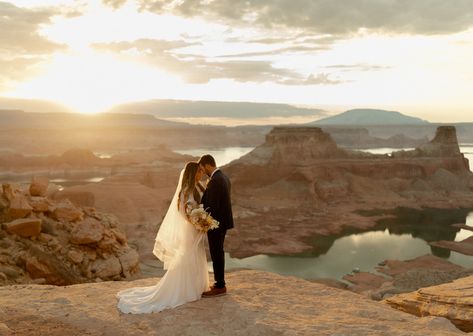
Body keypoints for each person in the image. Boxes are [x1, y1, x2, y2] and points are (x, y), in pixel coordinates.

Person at [116, 161, 209, 314]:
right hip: (189, 230)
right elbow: (183, 212)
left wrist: (200, 221)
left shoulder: (195, 188)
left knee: (196, 255)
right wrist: (196, 222)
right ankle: (184, 290)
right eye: (199, 171)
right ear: (192, 173)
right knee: (187, 256)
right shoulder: (185, 191)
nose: (201, 174)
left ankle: (196, 287)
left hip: (194, 229)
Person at [198, 154, 234, 297]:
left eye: (202, 168)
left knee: (216, 253)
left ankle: (220, 285)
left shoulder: (215, 180)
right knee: (219, 252)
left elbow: (211, 206)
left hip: (215, 224)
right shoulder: (224, 177)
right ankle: (220, 283)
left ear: (207, 165)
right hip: (222, 223)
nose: (202, 171)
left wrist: (201, 220)